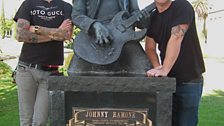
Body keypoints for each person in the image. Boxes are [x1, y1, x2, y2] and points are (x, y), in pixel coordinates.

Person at [145, 0, 205, 126]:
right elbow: (150, 48)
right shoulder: (153, 17)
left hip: (189, 82)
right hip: (166, 83)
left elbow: (177, 36)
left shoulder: (182, 6)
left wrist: (164, 69)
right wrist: (158, 67)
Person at [13, 0, 73, 125]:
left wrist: (36, 29)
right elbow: (20, 35)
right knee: (26, 120)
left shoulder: (66, 7)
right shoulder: (28, 4)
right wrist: (55, 32)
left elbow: (66, 34)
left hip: (51, 73)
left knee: (40, 122)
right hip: (26, 69)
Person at [68, 0, 154, 76]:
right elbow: (77, 15)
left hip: (123, 37)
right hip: (92, 38)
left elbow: (135, 12)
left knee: (144, 70)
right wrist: (94, 25)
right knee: (74, 74)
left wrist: (142, 19)